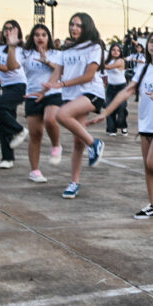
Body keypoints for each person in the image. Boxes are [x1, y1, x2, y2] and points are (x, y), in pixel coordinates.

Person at [90, 30, 153, 218]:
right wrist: (106, 112)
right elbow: (126, 92)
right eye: (151, 42)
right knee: (148, 167)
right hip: (146, 122)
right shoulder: (144, 68)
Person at [40, 12, 107, 198]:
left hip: (90, 93)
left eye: (78, 25)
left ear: (86, 27)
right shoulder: (67, 50)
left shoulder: (94, 47)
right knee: (78, 142)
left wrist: (60, 85)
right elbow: (58, 73)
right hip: (71, 95)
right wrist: (43, 92)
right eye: (71, 24)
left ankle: (95, 143)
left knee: (61, 115)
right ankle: (74, 183)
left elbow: (88, 76)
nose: (73, 28)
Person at [0, 20, 29, 169]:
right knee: (4, 122)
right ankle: (7, 158)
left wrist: (11, 46)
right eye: (5, 29)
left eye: (11, 29)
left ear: (18, 31)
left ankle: (20, 130)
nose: (8, 31)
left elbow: (11, 67)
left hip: (19, 86)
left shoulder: (22, 49)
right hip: (6, 87)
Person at [22, 24, 64, 183]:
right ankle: (34, 171)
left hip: (53, 93)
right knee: (35, 134)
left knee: (50, 119)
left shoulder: (57, 54)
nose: (40, 37)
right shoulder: (26, 54)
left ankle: (56, 145)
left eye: (44, 35)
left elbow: (61, 72)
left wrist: (47, 61)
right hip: (32, 93)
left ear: (49, 38)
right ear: (32, 37)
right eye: (37, 35)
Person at [103, 43, 128, 136]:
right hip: (110, 86)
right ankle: (111, 129)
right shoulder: (107, 60)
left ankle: (123, 125)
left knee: (121, 108)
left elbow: (109, 67)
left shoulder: (121, 61)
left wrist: (97, 63)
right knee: (109, 108)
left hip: (121, 87)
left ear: (120, 52)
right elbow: (103, 72)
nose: (116, 52)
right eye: (113, 50)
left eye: (118, 50)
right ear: (110, 51)